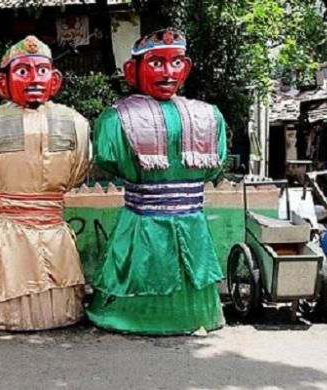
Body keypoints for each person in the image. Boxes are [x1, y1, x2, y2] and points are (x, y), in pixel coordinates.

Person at [86, 28, 227, 335]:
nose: (167, 73)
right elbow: (214, 168)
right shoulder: (209, 117)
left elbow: (110, 160)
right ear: (132, 71)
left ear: (186, 68)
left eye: (175, 63)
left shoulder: (116, 119)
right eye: (156, 63)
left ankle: (135, 316)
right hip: (173, 219)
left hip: (146, 220)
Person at [0, 36, 90, 331]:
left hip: (49, 220)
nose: (34, 79)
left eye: (42, 71)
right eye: (23, 72)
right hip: (8, 225)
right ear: (3, 83)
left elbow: (81, 163)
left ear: (55, 80)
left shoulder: (75, 122)